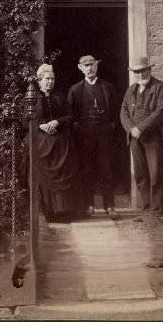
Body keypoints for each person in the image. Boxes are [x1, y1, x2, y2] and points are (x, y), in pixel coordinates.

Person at [67, 54, 119, 219]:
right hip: (84, 136)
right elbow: (70, 114)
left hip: (104, 133)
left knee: (107, 169)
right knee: (87, 169)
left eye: (92, 64)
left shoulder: (108, 87)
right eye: (86, 65)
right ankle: (88, 205)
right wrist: (78, 128)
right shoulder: (75, 89)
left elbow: (116, 111)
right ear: (80, 68)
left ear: (97, 66)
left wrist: (111, 126)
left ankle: (110, 206)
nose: (90, 68)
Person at [31, 63, 82, 222]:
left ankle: (64, 210)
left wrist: (57, 122)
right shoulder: (32, 98)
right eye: (47, 79)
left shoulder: (60, 97)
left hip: (60, 140)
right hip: (40, 140)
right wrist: (41, 125)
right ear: (39, 81)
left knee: (65, 160)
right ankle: (48, 211)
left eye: (52, 79)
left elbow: (70, 116)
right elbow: (25, 121)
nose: (50, 82)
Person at [120, 55, 163, 212]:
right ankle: (145, 205)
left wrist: (140, 128)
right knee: (140, 173)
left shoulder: (160, 88)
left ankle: (156, 208)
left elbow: (160, 112)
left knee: (155, 173)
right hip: (135, 138)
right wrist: (131, 129)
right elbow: (124, 111)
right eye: (137, 72)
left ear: (149, 69)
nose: (140, 74)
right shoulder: (131, 90)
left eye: (143, 71)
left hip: (153, 137)